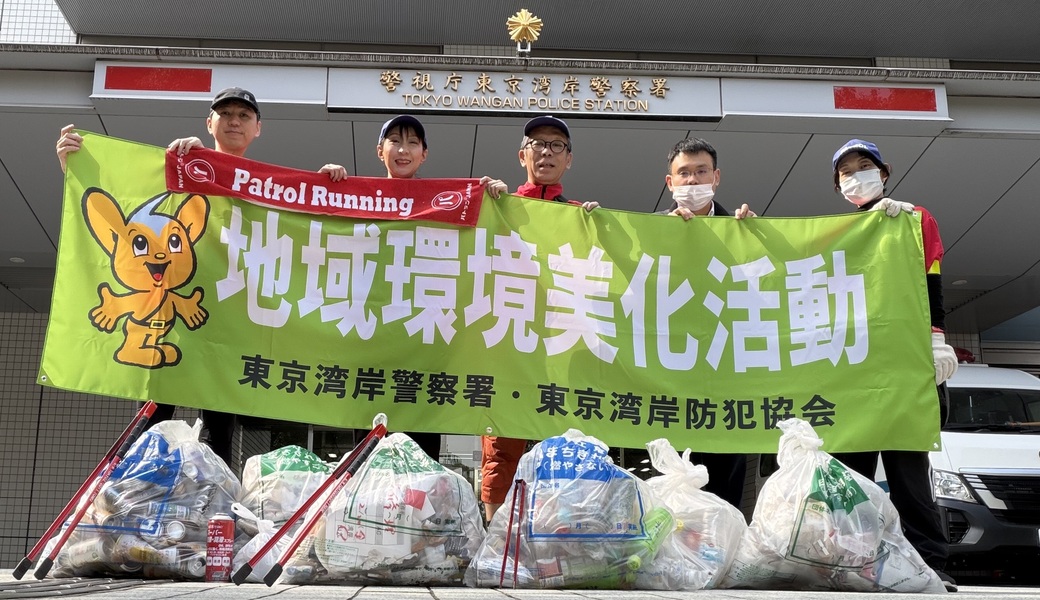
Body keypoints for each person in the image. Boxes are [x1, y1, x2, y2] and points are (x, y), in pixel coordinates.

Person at [56, 87, 340, 468]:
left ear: (259, 128)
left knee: (220, 430)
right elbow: (119, 196)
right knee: (152, 418)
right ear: (209, 124)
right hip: (169, 319)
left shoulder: (272, 188)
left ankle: (212, 508)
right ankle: (125, 496)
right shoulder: (180, 168)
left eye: (244, 116)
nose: (235, 122)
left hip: (226, 325)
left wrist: (329, 186)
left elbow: (307, 229)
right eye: (226, 115)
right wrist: (77, 164)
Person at [827, 138, 959, 593]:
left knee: (908, 471)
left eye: (864, 166)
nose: (855, 176)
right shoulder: (836, 233)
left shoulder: (912, 219)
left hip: (901, 363)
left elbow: (932, 283)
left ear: (884, 172)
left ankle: (929, 564)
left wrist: (937, 340)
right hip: (854, 369)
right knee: (853, 472)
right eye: (845, 172)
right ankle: (854, 562)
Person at [477, 115, 598, 522]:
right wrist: (487, 203)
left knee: (561, 446)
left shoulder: (581, 215)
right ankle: (495, 545)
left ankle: (558, 539)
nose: (546, 151)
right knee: (499, 448)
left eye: (557, 145)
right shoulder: (500, 206)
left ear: (570, 160)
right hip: (507, 344)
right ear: (522, 155)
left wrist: (602, 230)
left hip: (561, 350)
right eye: (538, 143)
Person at [657, 137, 754, 511]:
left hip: (725, 381)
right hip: (669, 381)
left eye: (701, 172)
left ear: (716, 178)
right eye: (684, 173)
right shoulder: (649, 233)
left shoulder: (742, 230)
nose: (692, 180)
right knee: (671, 484)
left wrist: (756, 239)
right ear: (670, 182)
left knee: (724, 483)